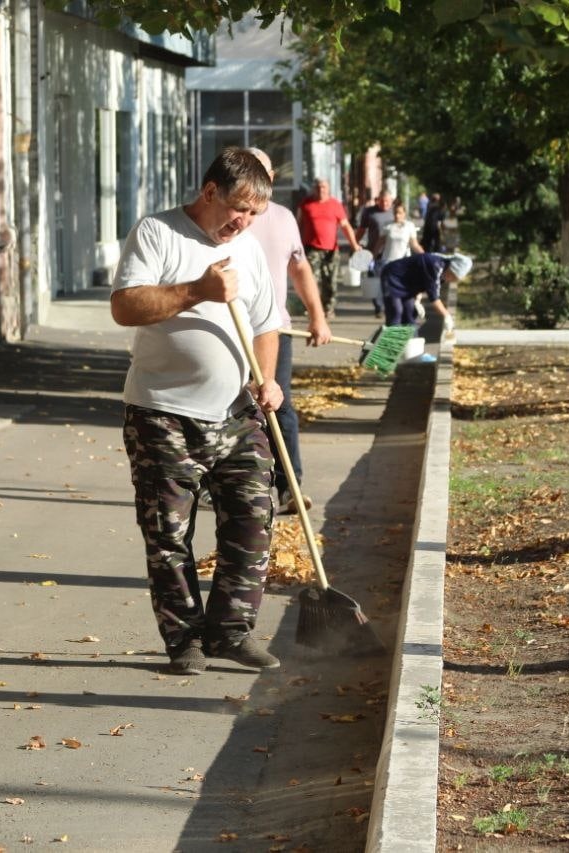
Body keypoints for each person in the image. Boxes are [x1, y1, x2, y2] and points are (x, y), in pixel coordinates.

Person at [110, 147, 284, 676]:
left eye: (255, 214)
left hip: (236, 413)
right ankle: (184, 639)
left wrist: (268, 378)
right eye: (239, 209)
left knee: (254, 516)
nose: (245, 222)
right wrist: (197, 291)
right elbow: (125, 306)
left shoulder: (249, 250)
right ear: (210, 192)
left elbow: (265, 323)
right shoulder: (157, 233)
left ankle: (231, 631)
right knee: (167, 533)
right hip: (162, 413)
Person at [244, 147, 332, 515]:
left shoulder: (282, 218)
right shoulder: (225, 218)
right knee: (221, 409)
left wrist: (318, 315)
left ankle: (289, 486)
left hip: (274, 329)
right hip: (227, 331)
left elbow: (300, 269)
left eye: (261, 172)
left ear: (271, 178)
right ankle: (217, 484)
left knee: (280, 407)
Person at [297, 178, 362, 317]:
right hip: (311, 248)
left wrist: (354, 245)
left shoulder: (336, 205)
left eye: (324, 187)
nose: (321, 189)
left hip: (331, 250)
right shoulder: (306, 204)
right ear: (315, 188)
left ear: (329, 189)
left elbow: (345, 226)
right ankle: (313, 309)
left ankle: (328, 308)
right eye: (319, 187)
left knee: (330, 282)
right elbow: (297, 224)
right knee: (311, 280)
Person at [379, 251, 471, 330]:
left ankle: (409, 345)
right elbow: (434, 297)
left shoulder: (443, 273)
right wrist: (446, 315)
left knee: (410, 313)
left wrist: (417, 301)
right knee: (396, 311)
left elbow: (423, 284)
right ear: (451, 268)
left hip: (407, 284)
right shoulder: (434, 264)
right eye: (453, 276)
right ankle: (390, 348)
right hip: (392, 276)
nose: (451, 280)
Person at [356, 190, 395, 317]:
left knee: (389, 281)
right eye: (382, 201)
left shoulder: (396, 212)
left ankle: (389, 305)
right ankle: (379, 308)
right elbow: (362, 229)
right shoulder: (369, 212)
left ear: (391, 201)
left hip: (391, 253)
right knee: (375, 280)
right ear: (377, 200)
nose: (384, 203)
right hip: (373, 252)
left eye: (387, 201)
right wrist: (354, 244)